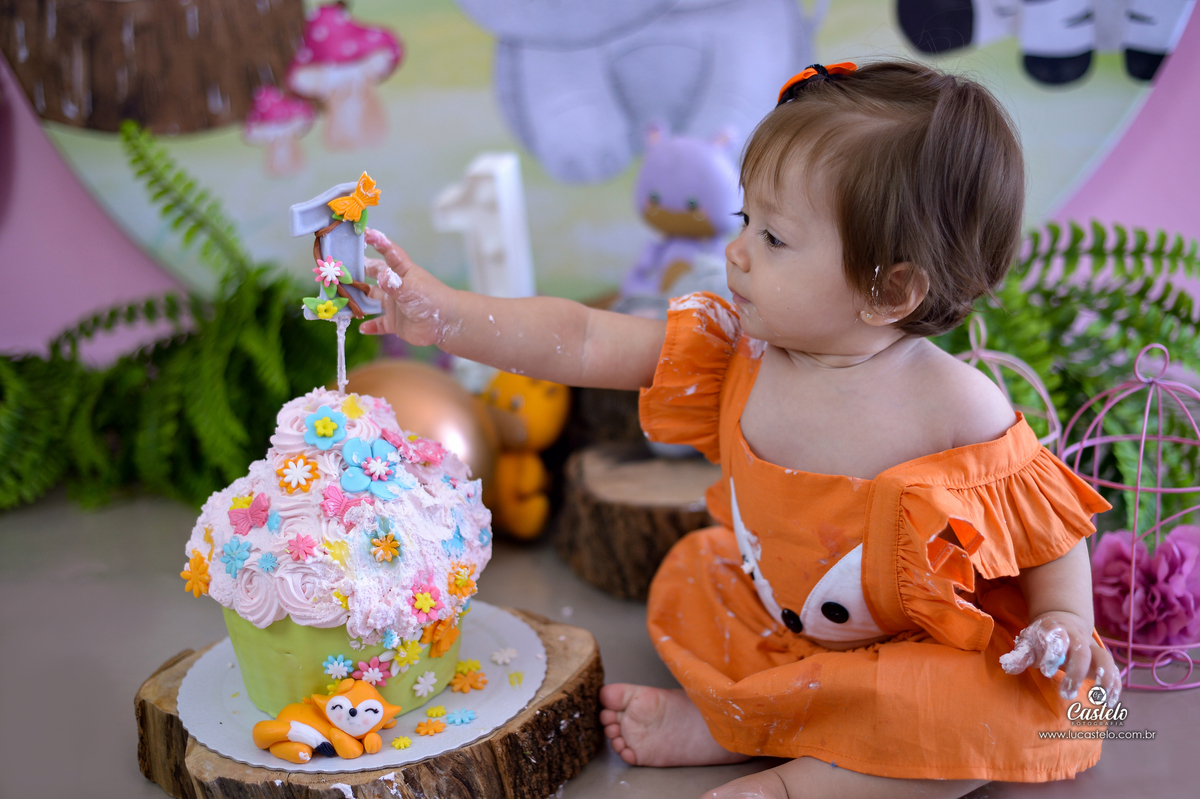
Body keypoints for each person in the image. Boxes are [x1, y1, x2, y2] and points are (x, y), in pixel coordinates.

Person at [359, 60, 1118, 799]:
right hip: (774, 621)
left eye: (774, 238)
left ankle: (800, 781)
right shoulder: (736, 350)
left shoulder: (955, 405)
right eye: (744, 219)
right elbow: (583, 339)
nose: (737, 251)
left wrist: (1064, 617)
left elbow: (1047, 531)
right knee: (697, 576)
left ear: (890, 290)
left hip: (908, 652)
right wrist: (447, 317)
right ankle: (732, 722)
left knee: (973, 717)